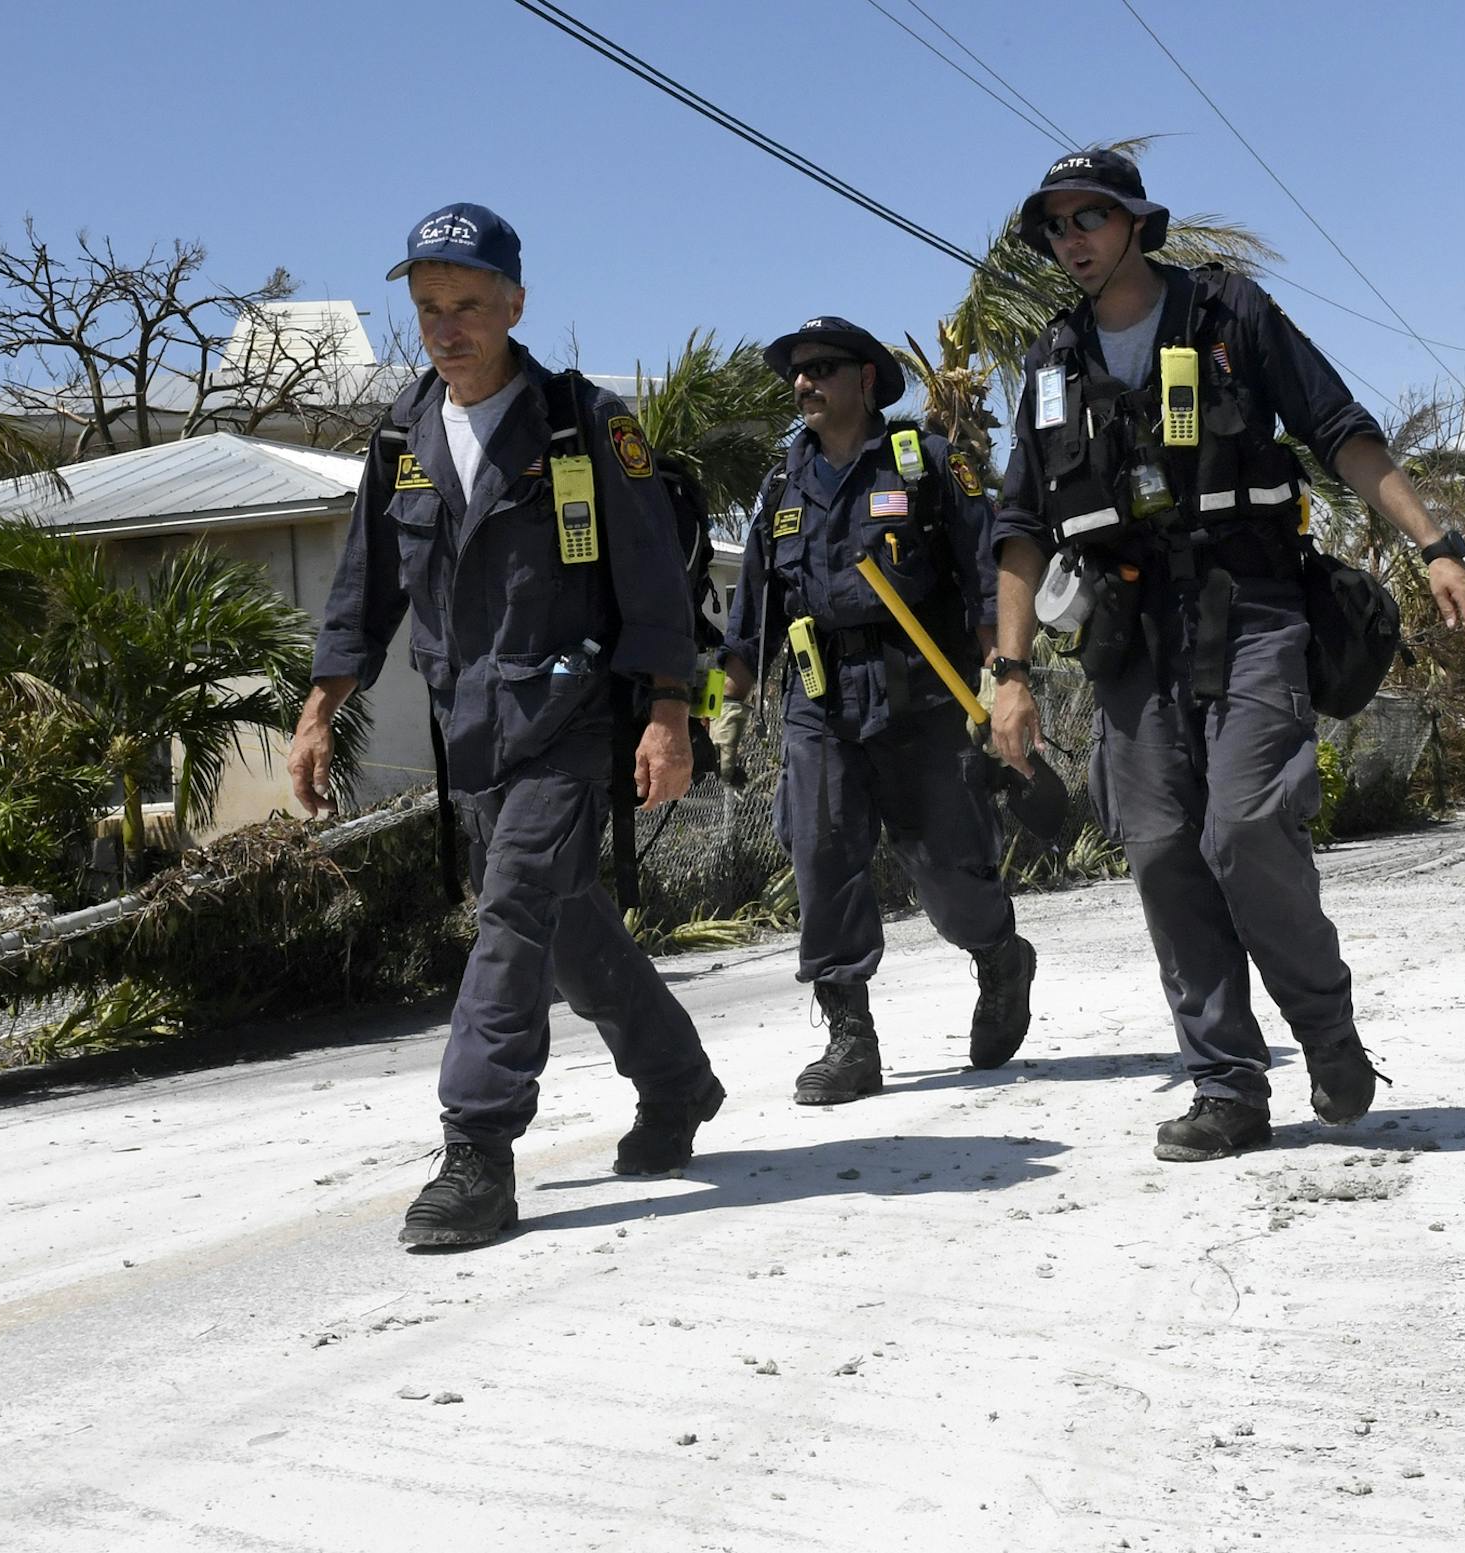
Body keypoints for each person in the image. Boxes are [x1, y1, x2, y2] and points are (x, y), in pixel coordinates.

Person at [987, 151, 1465, 1162]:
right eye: (1055, 225)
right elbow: (1020, 527)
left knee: (1247, 823)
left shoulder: (1228, 315)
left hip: (1248, 601)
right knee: (1164, 847)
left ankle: (1326, 1028)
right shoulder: (1050, 364)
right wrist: (1010, 673)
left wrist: (1434, 545)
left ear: (1136, 223)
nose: (1071, 237)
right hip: (1128, 636)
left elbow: (1340, 430)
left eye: (1091, 216)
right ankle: (1227, 1083)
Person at [288, 203, 724, 1247]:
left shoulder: (582, 422)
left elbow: (655, 582)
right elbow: (365, 587)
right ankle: (677, 1079)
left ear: (515, 304)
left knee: (515, 908)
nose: (447, 325)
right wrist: (317, 712)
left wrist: (670, 713)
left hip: (573, 720)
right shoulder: (404, 433)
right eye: (429, 306)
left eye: (469, 304)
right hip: (470, 728)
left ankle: (477, 1146)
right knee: (566, 928)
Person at [718, 317, 1037, 1105]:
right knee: (824, 859)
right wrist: (723, 710)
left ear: (866, 380)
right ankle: (849, 1036)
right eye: (797, 371)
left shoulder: (925, 467)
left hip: (920, 701)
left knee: (950, 876)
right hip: (817, 705)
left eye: (822, 368)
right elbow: (748, 614)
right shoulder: (779, 488)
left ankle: (1000, 956)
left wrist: (1005, 675)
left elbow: (985, 581)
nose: (804, 383)